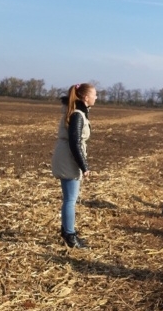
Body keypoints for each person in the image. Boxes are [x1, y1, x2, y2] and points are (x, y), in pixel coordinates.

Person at [51, 83, 97, 249]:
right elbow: (75, 143)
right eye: (94, 94)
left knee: (69, 199)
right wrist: (84, 166)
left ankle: (66, 231)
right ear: (85, 97)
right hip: (68, 159)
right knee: (70, 199)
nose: (96, 97)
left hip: (66, 156)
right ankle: (70, 236)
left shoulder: (77, 112)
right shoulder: (78, 114)